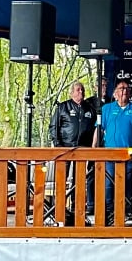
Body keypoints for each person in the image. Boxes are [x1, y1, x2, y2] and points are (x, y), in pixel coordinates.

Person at [93, 81, 132, 225]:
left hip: (131, 154)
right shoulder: (106, 109)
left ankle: (128, 212)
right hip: (110, 154)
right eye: (121, 88)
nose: (124, 90)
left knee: (129, 184)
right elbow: (98, 129)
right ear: (115, 94)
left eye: (126, 88)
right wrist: (92, 150)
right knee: (109, 185)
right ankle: (110, 212)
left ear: (130, 93)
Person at [49, 81, 97, 215]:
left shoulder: (90, 108)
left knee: (79, 180)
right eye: (77, 90)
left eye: (82, 90)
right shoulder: (63, 107)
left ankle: (77, 207)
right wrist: (58, 145)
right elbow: (54, 127)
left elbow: (96, 128)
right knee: (61, 178)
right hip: (65, 149)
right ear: (71, 93)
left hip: (82, 150)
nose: (80, 92)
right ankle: (59, 207)